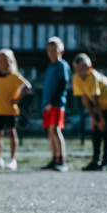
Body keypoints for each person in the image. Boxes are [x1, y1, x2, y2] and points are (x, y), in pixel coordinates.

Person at [72, 53, 107, 171]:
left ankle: (106, 163)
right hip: (102, 105)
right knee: (96, 129)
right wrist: (94, 120)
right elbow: (85, 101)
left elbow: (95, 100)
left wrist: (100, 120)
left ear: (89, 68)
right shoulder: (76, 79)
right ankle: (95, 161)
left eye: (82, 69)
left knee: (105, 128)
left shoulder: (93, 77)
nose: (79, 72)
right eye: (77, 69)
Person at [0, 49, 30, 170]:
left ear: (10, 61)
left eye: (4, 59)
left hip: (10, 110)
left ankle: (12, 159)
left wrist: (17, 100)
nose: (2, 62)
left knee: (11, 133)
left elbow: (27, 86)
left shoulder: (14, 76)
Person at [41, 37, 71, 172]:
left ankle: (62, 160)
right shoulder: (49, 67)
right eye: (49, 50)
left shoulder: (62, 66)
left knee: (55, 130)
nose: (52, 52)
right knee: (50, 131)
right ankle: (54, 159)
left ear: (61, 51)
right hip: (46, 105)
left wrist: (52, 102)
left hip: (56, 104)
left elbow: (62, 85)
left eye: (55, 50)